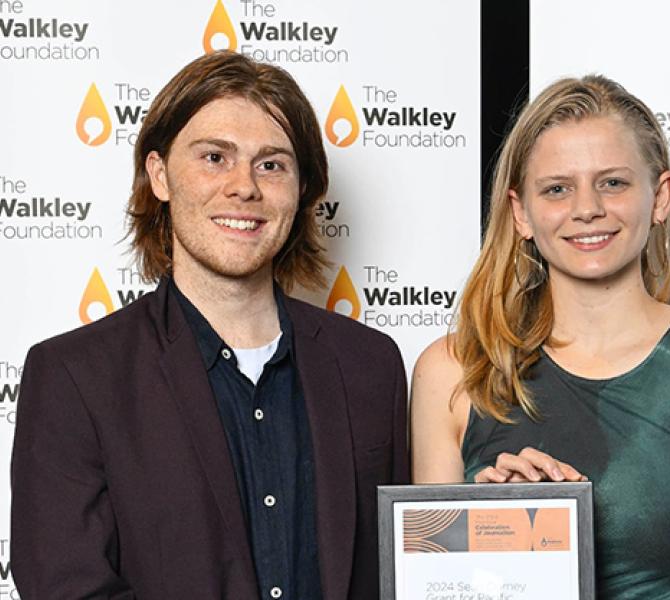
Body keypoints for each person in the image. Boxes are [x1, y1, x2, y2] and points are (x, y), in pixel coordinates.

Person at [11, 51, 408, 600]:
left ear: (302, 191)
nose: (244, 186)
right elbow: (68, 589)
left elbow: (401, 573)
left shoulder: (371, 365)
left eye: (272, 164)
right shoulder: (75, 377)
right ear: (160, 176)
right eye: (215, 157)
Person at [411, 75, 670, 598]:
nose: (586, 208)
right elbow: (433, 587)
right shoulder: (454, 369)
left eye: (613, 182)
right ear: (521, 212)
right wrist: (490, 529)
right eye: (556, 189)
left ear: (660, 198)